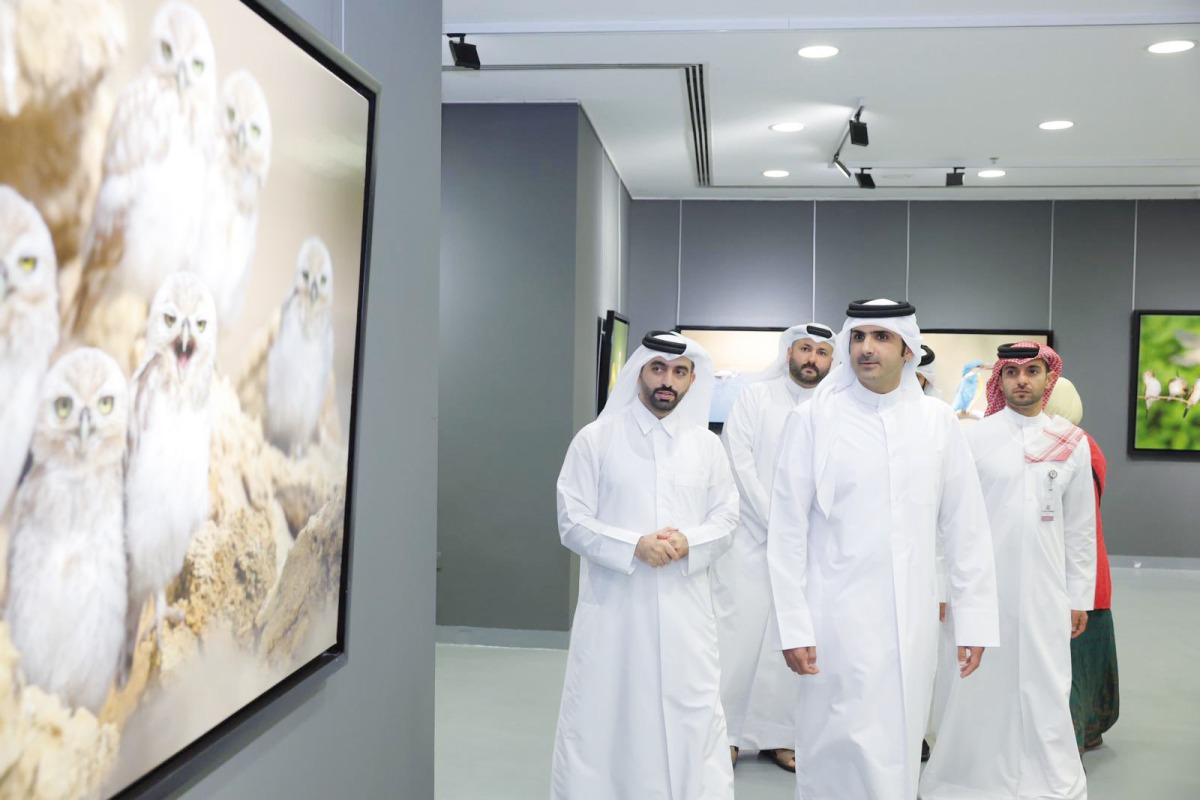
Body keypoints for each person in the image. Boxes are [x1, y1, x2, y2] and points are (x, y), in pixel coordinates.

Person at [767, 299, 1000, 800]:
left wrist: (974, 620)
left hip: (910, 624)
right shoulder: (813, 420)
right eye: (858, 337)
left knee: (898, 741)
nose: (865, 348)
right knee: (833, 744)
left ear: (907, 349)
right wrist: (793, 624)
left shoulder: (938, 424)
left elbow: (967, 530)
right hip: (833, 621)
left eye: (880, 337)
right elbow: (785, 532)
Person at [551, 330, 740, 800]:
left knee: (691, 713)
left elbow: (728, 517)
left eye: (679, 373)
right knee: (608, 715)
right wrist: (633, 544)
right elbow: (571, 520)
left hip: (686, 614)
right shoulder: (595, 439)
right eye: (658, 369)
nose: (667, 382)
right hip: (616, 611)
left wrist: (688, 541)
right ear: (639, 372)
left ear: (693, 380)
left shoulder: (707, 447)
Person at [920, 342, 1096, 800]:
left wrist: (1080, 596)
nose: (1022, 380)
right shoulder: (971, 437)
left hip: (1045, 590)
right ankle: (969, 777)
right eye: (1012, 372)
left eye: (1032, 371)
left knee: (1045, 681)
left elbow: (1080, 529)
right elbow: (946, 519)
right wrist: (941, 583)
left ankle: (1044, 776)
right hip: (979, 589)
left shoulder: (1070, 443)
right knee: (977, 683)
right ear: (999, 380)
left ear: (1047, 379)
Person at [710, 322, 836, 772]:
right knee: (737, 639)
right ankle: (723, 736)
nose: (812, 360)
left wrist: (798, 530)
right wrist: (777, 520)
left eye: (822, 353)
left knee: (792, 638)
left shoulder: (833, 409)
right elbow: (737, 459)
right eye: (805, 349)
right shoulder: (754, 398)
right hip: (748, 539)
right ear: (788, 353)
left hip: (808, 546)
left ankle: (781, 737)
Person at [1043, 376, 1120, 752]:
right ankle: (1088, 729)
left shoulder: (1072, 448)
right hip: (1087, 575)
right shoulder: (1084, 443)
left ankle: (1074, 737)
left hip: (1074, 577)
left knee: (1074, 661)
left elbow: (1075, 525)